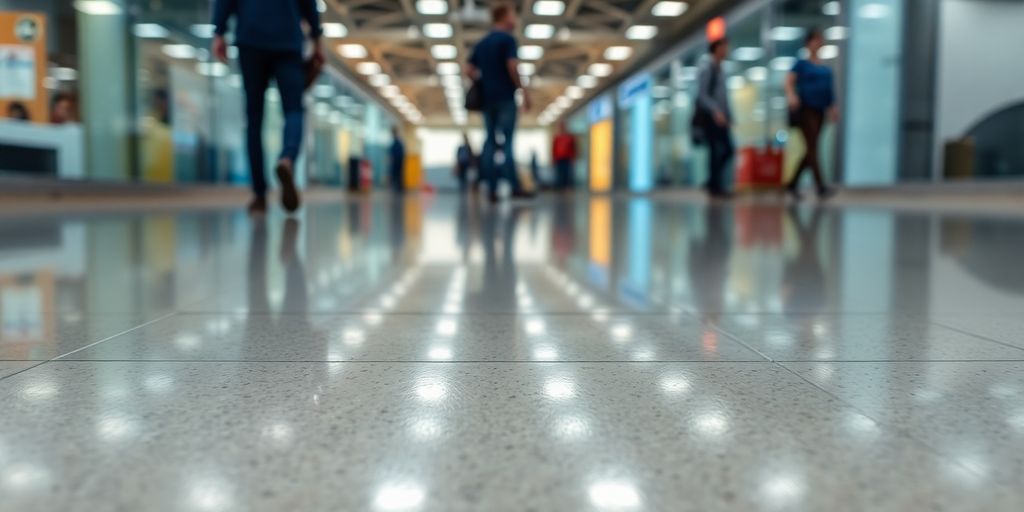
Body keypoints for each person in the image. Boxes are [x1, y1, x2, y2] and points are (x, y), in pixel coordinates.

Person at [212, 0, 323, 214]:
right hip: (288, 37)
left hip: (251, 36)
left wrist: (219, 31)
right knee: (294, 109)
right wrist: (317, 37)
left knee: (254, 120)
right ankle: (287, 158)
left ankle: (259, 195)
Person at [466, 3, 533, 203]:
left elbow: (468, 69)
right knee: (508, 142)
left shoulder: (482, 43)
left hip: (487, 99)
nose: (516, 19)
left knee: (489, 142)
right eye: (513, 14)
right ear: (503, 17)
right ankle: (513, 187)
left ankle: (492, 189)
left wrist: (482, 82)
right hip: (505, 97)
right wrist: (524, 92)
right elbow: (512, 66)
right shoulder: (508, 39)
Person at [785, 28, 837, 200]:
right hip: (806, 109)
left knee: (812, 148)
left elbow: (830, 91)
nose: (817, 43)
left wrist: (832, 108)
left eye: (819, 39)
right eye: (814, 40)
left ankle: (792, 183)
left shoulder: (825, 68)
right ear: (808, 43)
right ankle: (820, 186)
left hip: (820, 109)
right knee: (812, 147)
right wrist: (791, 96)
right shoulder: (801, 64)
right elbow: (789, 82)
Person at [696, 38, 734, 200]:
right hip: (711, 118)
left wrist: (729, 115)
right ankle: (714, 186)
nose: (726, 50)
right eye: (724, 47)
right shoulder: (707, 68)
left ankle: (713, 182)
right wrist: (716, 112)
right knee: (715, 151)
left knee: (727, 149)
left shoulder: (722, 70)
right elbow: (702, 95)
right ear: (716, 49)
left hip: (722, 118)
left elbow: (724, 97)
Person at [551, 121, 577, 190]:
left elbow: (573, 148)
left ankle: (567, 187)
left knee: (567, 173)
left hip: (567, 158)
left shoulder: (570, 137)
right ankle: (560, 187)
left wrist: (573, 157)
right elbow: (553, 149)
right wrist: (553, 158)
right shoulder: (557, 137)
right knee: (559, 174)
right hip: (559, 158)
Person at [389, 127, 406, 194]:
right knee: (397, 175)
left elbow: (398, 153)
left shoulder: (398, 142)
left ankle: (399, 188)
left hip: (398, 161)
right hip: (397, 161)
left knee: (398, 175)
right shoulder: (396, 142)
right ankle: (398, 188)